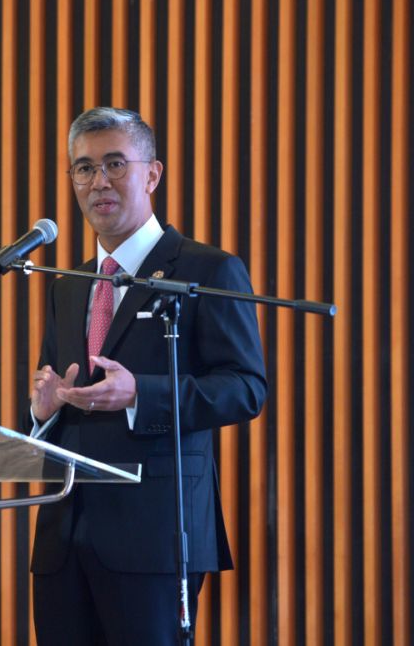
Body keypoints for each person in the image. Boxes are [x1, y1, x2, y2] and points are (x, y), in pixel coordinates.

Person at [27, 107, 267, 644]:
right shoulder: (67, 284)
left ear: (152, 174)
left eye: (115, 163)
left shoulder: (206, 270)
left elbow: (246, 388)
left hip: (155, 536)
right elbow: (60, 389)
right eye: (83, 169)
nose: (99, 181)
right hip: (64, 538)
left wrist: (141, 396)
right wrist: (41, 413)